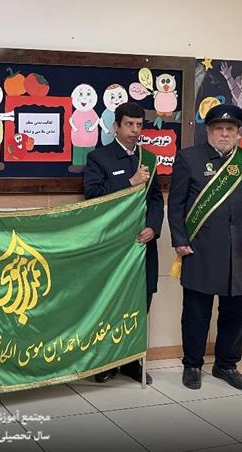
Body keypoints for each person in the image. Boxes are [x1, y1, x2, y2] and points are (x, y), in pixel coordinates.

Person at [169, 104, 242, 391]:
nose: (224, 134)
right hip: (200, 250)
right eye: (218, 129)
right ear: (209, 131)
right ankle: (192, 365)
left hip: (239, 253)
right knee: (196, 313)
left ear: (238, 134)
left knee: (236, 313)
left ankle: (226, 365)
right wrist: (179, 239)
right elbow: (176, 205)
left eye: (230, 129)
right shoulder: (189, 158)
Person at [83, 102, 164, 385]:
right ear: (116, 126)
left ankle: (131, 360)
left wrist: (153, 227)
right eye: (129, 124)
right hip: (112, 247)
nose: (135, 130)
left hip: (142, 245)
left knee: (141, 301)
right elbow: (93, 196)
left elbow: (156, 199)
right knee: (110, 302)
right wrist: (129, 182)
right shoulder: (99, 157)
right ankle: (105, 361)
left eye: (139, 125)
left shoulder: (148, 158)